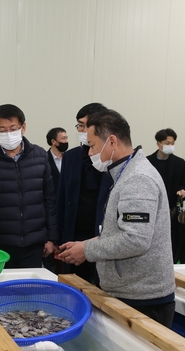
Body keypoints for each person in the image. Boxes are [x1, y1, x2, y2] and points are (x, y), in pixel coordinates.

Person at [58, 109, 176, 328]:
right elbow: (120, 230)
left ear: (111, 141)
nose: (89, 152)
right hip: (128, 290)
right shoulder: (124, 172)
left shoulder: (138, 179)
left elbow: (135, 240)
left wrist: (87, 251)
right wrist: (87, 244)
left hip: (143, 298)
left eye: (92, 146)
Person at [0, 104, 57, 268]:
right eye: (2, 130)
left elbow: (49, 199)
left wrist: (51, 238)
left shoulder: (40, 156)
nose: (8, 134)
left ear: (23, 128)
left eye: (13, 128)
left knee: (29, 290)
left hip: (33, 243)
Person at [55, 103, 111, 282]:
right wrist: (57, 237)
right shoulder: (71, 157)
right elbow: (62, 198)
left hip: (102, 238)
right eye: (80, 125)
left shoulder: (111, 158)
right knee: (73, 285)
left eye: (87, 126)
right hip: (73, 234)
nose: (83, 130)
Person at [146, 128, 185, 263]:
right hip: (151, 208)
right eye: (167, 143)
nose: (170, 146)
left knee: (170, 241)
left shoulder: (179, 163)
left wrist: (183, 191)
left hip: (171, 209)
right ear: (158, 143)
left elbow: (183, 183)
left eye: (172, 143)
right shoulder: (148, 162)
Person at [44, 127, 68, 272]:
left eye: (66, 138)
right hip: (50, 208)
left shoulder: (70, 158)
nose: (66, 141)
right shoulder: (44, 159)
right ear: (53, 141)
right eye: (63, 138)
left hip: (66, 208)